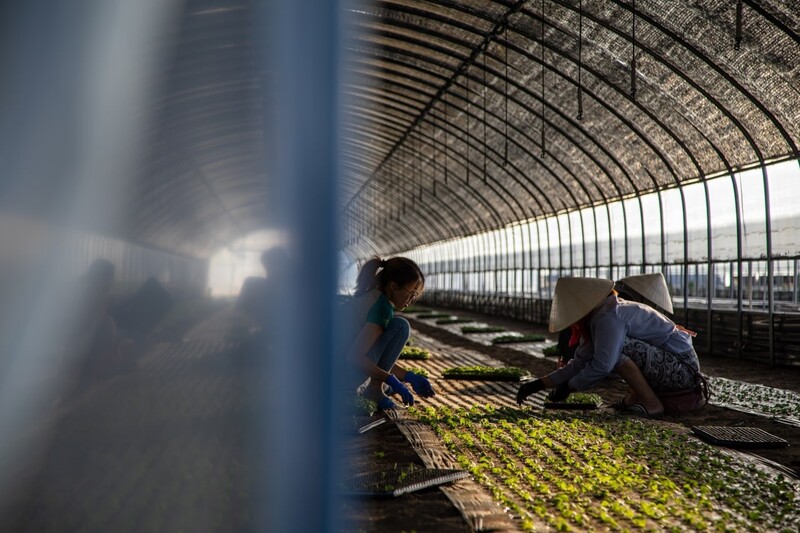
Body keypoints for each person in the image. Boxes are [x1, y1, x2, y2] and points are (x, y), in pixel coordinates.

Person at [516, 276, 701, 417]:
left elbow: (603, 364)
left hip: (683, 370)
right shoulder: (601, 316)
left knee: (616, 352)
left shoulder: (610, 316)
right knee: (610, 349)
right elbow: (580, 361)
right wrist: (538, 385)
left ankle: (651, 404)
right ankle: (635, 399)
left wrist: (570, 386)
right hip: (672, 368)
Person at [342, 257, 435, 410]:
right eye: (410, 293)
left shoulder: (370, 296)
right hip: (341, 378)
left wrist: (408, 376)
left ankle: (376, 388)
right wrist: (389, 379)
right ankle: (373, 390)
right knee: (401, 326)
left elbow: (376, 358)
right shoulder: (381, 308)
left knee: (388, 386)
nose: (411, 300)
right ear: (393, 286)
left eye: (415, 296)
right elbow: (355, 357)